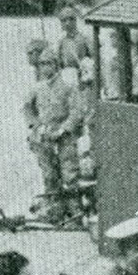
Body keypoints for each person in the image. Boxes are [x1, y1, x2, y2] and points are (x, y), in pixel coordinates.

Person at [23, 47, 86, 221]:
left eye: (48, 64)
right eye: (42, 64)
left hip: (64, 137)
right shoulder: (37, 88)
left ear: (56, 65)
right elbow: (27, 108)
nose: (44, 68)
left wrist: (64, 129)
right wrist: (36, 126)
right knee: (49, 175)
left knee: (70, 175)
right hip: (44, 137)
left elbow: (77, 111)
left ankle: (75, 212)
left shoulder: (68, 86)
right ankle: (54, 210)